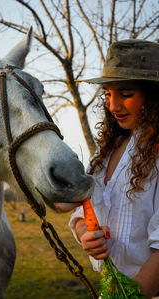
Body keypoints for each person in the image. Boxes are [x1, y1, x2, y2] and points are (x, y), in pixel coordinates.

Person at [68, 39, 159, 299]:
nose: (113, 106)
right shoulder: (105, 151)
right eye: (108, 94)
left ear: (153, 95)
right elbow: (80, 212)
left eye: (126, 94)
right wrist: (87, 234)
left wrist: (128, 296)